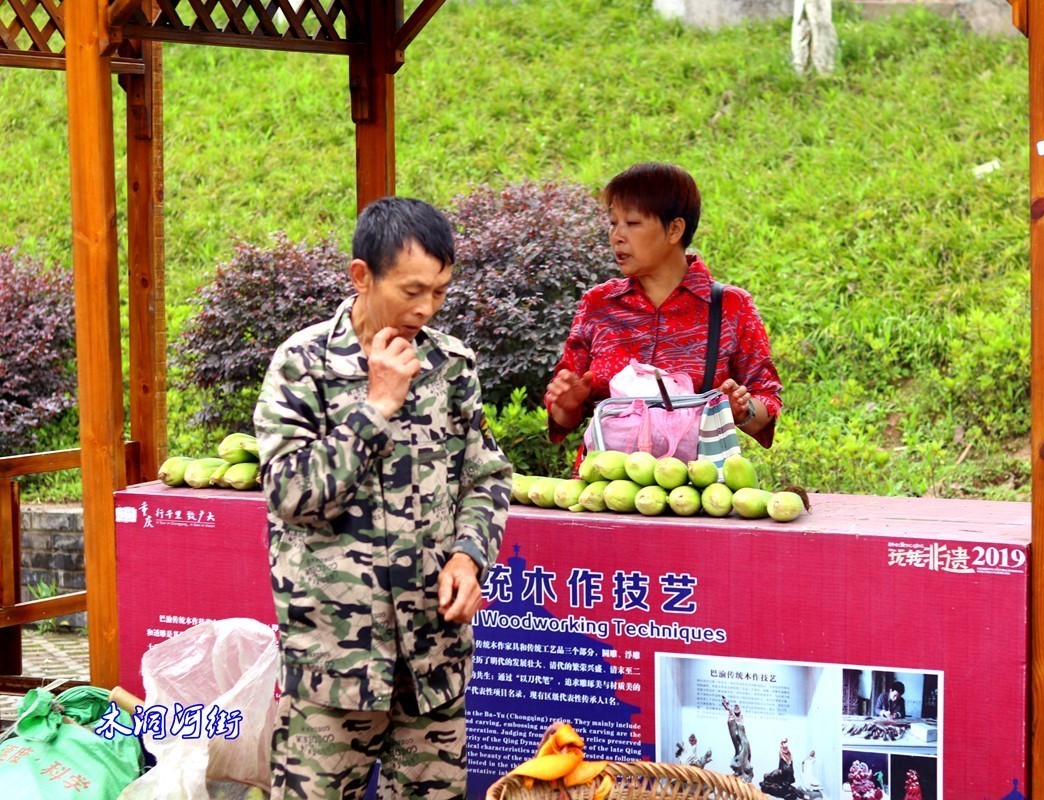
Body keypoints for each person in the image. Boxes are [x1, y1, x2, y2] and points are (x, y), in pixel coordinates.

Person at [254, 196, 512, 800]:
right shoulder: (304, 364)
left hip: (433, 656)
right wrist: (375, 407)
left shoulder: (452, 366)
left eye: (441, 293)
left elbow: (486, 476)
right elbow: (292, 495)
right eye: (411, 290)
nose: (426, 309)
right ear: (361, 277)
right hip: (335, 667)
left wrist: (468, 556)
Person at [544, 162, 783, 454]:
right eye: (612, 222)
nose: (617, 235)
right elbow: (562, 416)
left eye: (631, 223)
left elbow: (766, 403)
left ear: (674, 230)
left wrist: (740, 410)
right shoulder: (599, 305)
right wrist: (566, 405)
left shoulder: (730, 306)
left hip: (694, 491)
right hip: (604, 490)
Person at [722, 695, 753, 781]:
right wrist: (728, 708)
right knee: (739, 751)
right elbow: (732, 723)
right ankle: (740, 771)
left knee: (745, 751)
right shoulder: (732, 719)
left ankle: (743, 772)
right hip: (739, 740)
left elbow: (741, 728)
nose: (736, 709)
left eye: (738, 709)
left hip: (744, 740)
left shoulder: (740, 719)